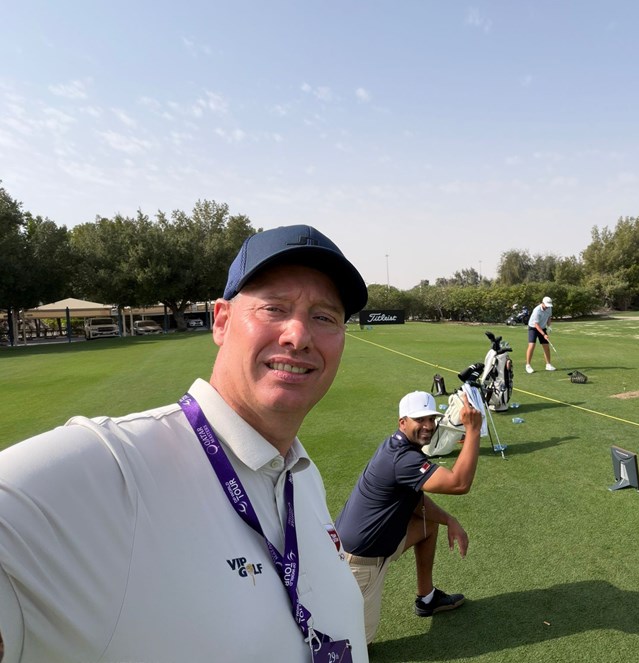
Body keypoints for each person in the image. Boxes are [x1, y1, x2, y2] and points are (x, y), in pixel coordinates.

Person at [0, 225, 370, 663]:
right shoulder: (117, 464)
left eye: (324, 317)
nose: (299, 335)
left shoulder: (299, 473)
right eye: (274, 308)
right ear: (222, 321)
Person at [334, 390, 482, 644]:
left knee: (429, 524)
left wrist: (448, 519)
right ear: (402, 422)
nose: (428, 426)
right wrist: (474, 430)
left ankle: (427, 598)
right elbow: (459, 483)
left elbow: (416, 500)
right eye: (419, 419)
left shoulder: (399, 445)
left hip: (378, 545)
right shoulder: (403, 459)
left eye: (431, 419)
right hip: (360, 562)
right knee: (357, 645)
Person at [525, 295, 555, 373]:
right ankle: (528, 365)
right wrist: (544, 334)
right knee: (532, 345)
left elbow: (549, 317)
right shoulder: (537, 310)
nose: (547, 307)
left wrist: (549, 326)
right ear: (542, 303)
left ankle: (548, 365)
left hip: (542, 327)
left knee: (546, 346)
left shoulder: (549, 308)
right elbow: (536, 325)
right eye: (546, 305)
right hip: (533, 328)